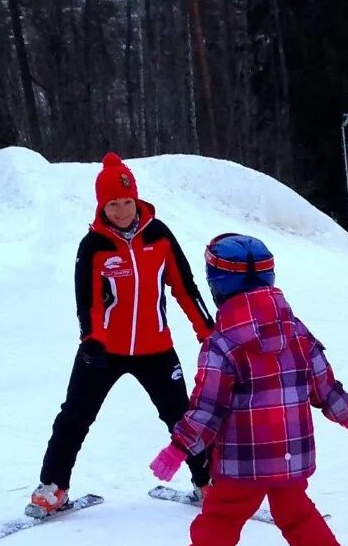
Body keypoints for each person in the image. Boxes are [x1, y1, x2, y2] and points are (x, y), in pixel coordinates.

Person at [148, 233, 348, 546]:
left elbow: (206, 409)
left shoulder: (222, 344)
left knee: (219, 521)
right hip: (292, 457)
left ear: (216, 285)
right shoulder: (295, 330)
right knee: (298, 514)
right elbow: (322, 383)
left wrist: (177, 449)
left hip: (243, 464)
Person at [28, 153, 216, 518]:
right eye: (113, 204)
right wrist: (92, 338)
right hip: (104, 350)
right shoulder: (93, 246)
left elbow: (185, 287)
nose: (122, 211)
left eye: (127, 202)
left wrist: (207, 331)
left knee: (183, 416)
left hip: (156, 348)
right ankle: (53, 487)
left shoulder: (159, 237)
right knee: (74, 417)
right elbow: (88, 302)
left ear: (137, 199)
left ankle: (207, 482)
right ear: (102, 205)